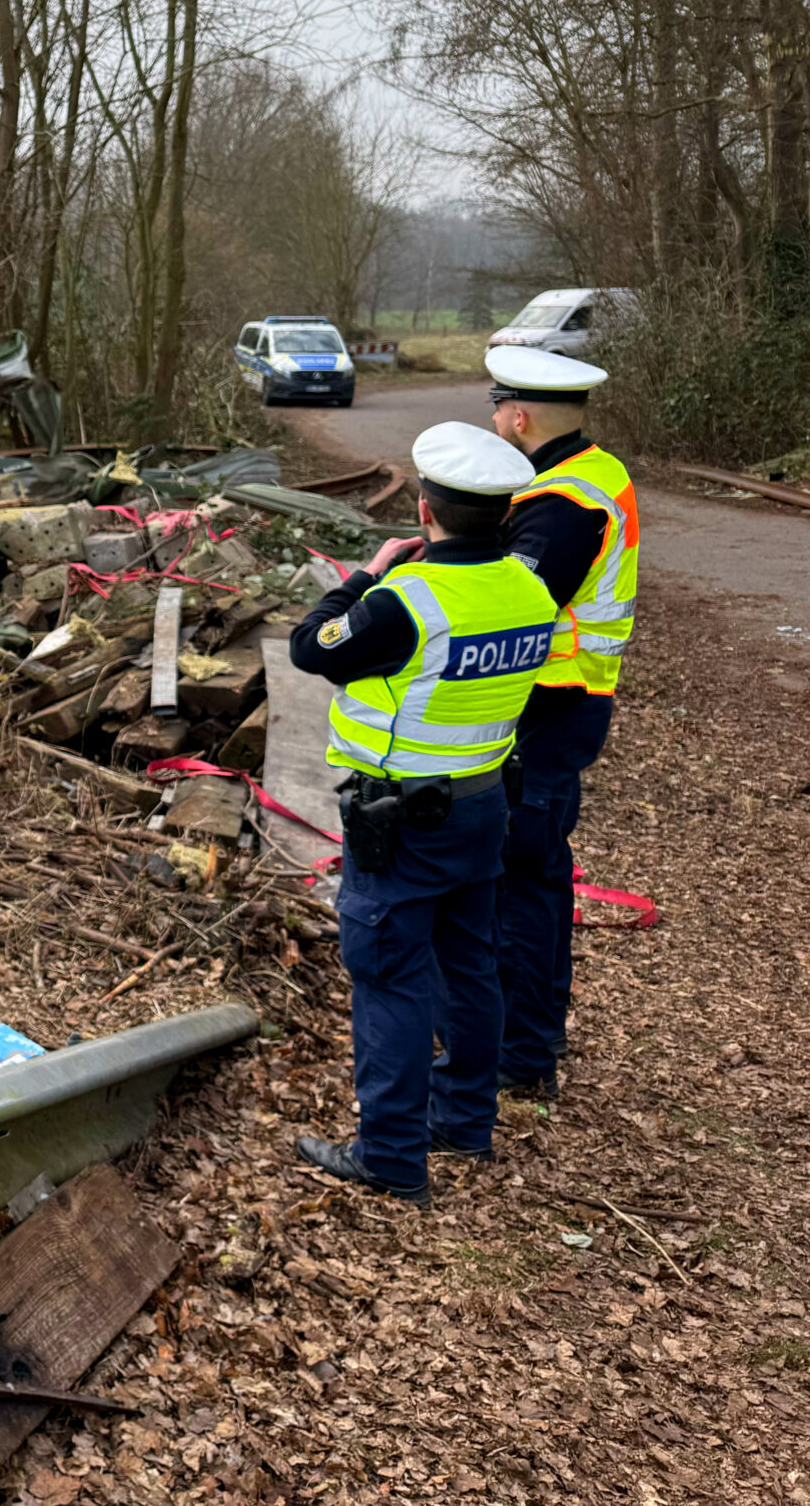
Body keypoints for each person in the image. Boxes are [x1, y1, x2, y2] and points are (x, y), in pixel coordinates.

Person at [289, 423, 557, 1207]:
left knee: (390, 979)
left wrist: (364, 575)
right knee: (470, 963)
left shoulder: (405, 602)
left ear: (424, 507)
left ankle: (393, 1155)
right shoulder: (531, 590)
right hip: (483, 804)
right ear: (503, 514)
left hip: (403, 820)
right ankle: (467, 1122)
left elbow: (313, 648)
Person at [483, 348, 637, 1099]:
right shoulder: (597, 472)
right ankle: (536, 1033)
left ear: (518, 417)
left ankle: (521, 1053)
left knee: (521, 877)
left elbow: (518, 601)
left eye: (497, 413)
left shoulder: (561, 502)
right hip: (574, 698)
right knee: (540, 875)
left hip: (551, 701)